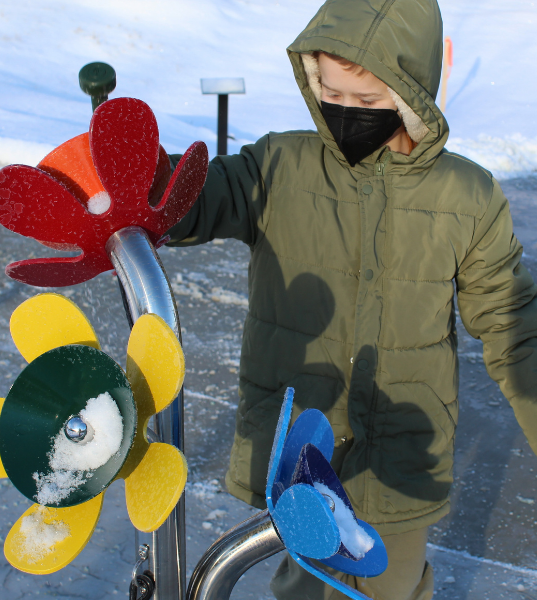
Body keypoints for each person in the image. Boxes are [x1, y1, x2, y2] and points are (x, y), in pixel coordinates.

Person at [168, 0, 537, 598]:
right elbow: (197, 199)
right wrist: (138, 185)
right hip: (300, 455)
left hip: (399, 460)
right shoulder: (280, 165)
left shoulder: (466, 196)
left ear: (412, 90)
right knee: (305, 587)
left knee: (389, 586)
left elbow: (513, 322)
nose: (345, 114)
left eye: (367, 103)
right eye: (330, 93)